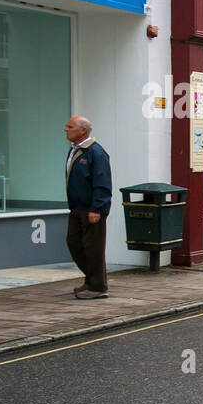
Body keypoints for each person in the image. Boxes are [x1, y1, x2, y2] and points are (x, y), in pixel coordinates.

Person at [64, 116, 112, 299]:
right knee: (74, 243)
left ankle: (98, 286)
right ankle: (92, 280)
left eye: (70, 127)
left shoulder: (96, 152)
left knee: (93, 248)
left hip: (91, 210)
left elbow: (102, 183)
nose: (66, 129)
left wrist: (97, 208)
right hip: (77, 208)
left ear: (83, 130)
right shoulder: (75, 150)